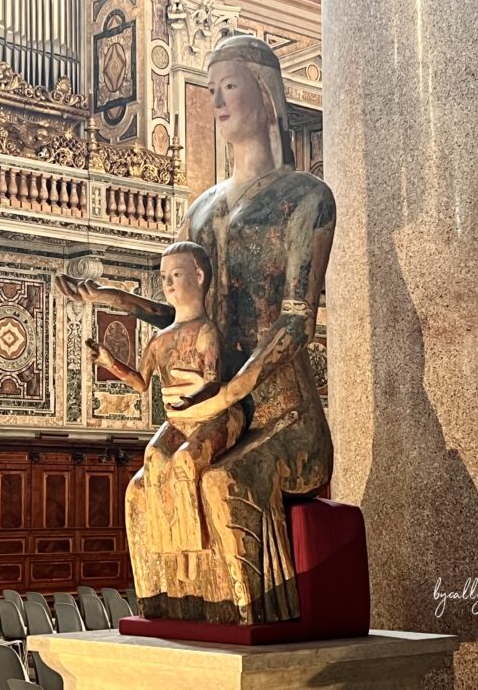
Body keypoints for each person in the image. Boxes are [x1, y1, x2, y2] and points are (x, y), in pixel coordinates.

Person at [57, 35, 336, 624]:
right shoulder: (201, 210)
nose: (217, 101)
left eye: (228, 86)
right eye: (210, 90)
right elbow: (188, 319)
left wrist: (237, 388)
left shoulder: (307, 197)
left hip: (282, 413)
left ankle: (259, 623)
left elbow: (295, 322)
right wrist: (114, 299)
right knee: (142, 489)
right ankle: (172, 613)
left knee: (222, 483)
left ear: (265, 92)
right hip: (212, 411)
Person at [86, 242, 244, 584]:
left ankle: (195, 555)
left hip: (213, 417)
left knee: (185, 462)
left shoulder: (206, 331)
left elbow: (215, 382)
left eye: (176, 275)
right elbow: (142, 383)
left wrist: (193, 400)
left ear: (199, 276)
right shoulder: (160, 340)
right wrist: (108, 361)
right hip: (179, 420)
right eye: (163, 277)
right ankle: (168, 554)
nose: (168, 284)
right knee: (154, 458)